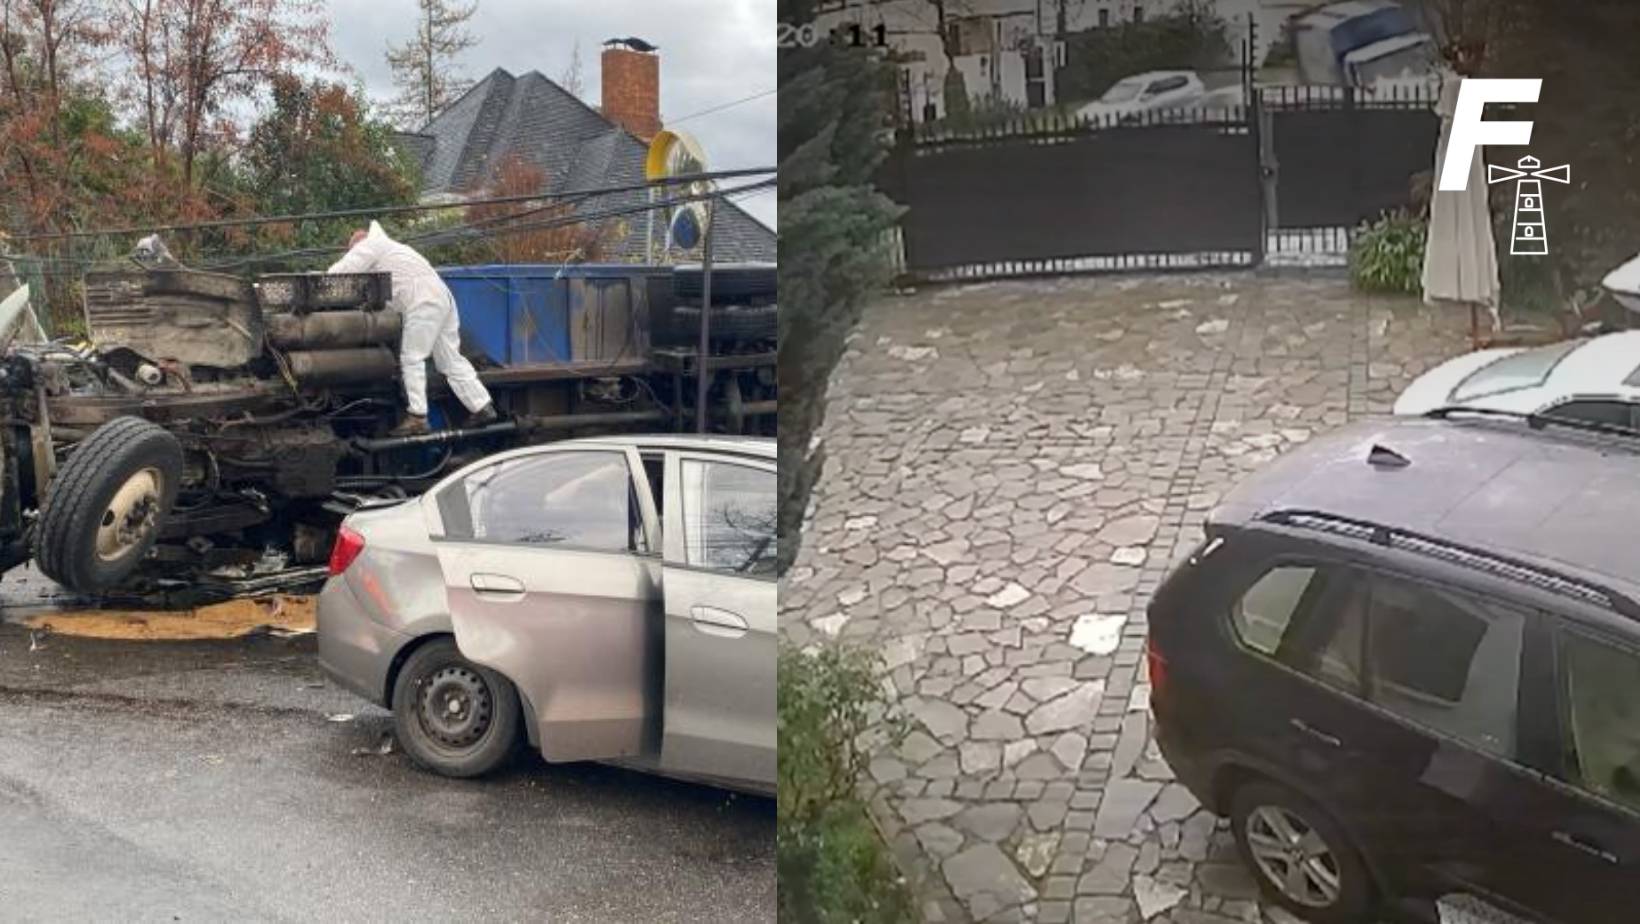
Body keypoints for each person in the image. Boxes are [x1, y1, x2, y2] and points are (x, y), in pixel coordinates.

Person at [328, 221, 496, 436]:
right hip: (442, 298)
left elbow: (338, 273)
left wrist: (314, 281)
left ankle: (418, 416)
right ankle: (482, 406)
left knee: (412, 357)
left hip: (422, 302)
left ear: (358, 245)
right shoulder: (399, 249)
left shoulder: (369, 246)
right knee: (450, 358)